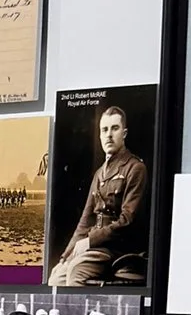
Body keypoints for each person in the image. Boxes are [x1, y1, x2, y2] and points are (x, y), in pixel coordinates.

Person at [48, 103, 147, 286]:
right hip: (94, 248)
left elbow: (127, 221)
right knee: (56, 277)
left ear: (124, 134)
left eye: (114, 128)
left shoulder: (135, 168)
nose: (109, 135)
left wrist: (90, 241)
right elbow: (85, 222)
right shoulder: (99, 173)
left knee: (75, 272)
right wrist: (64, 257)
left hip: (116, 248)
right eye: (104, 130)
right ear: (100, 135)